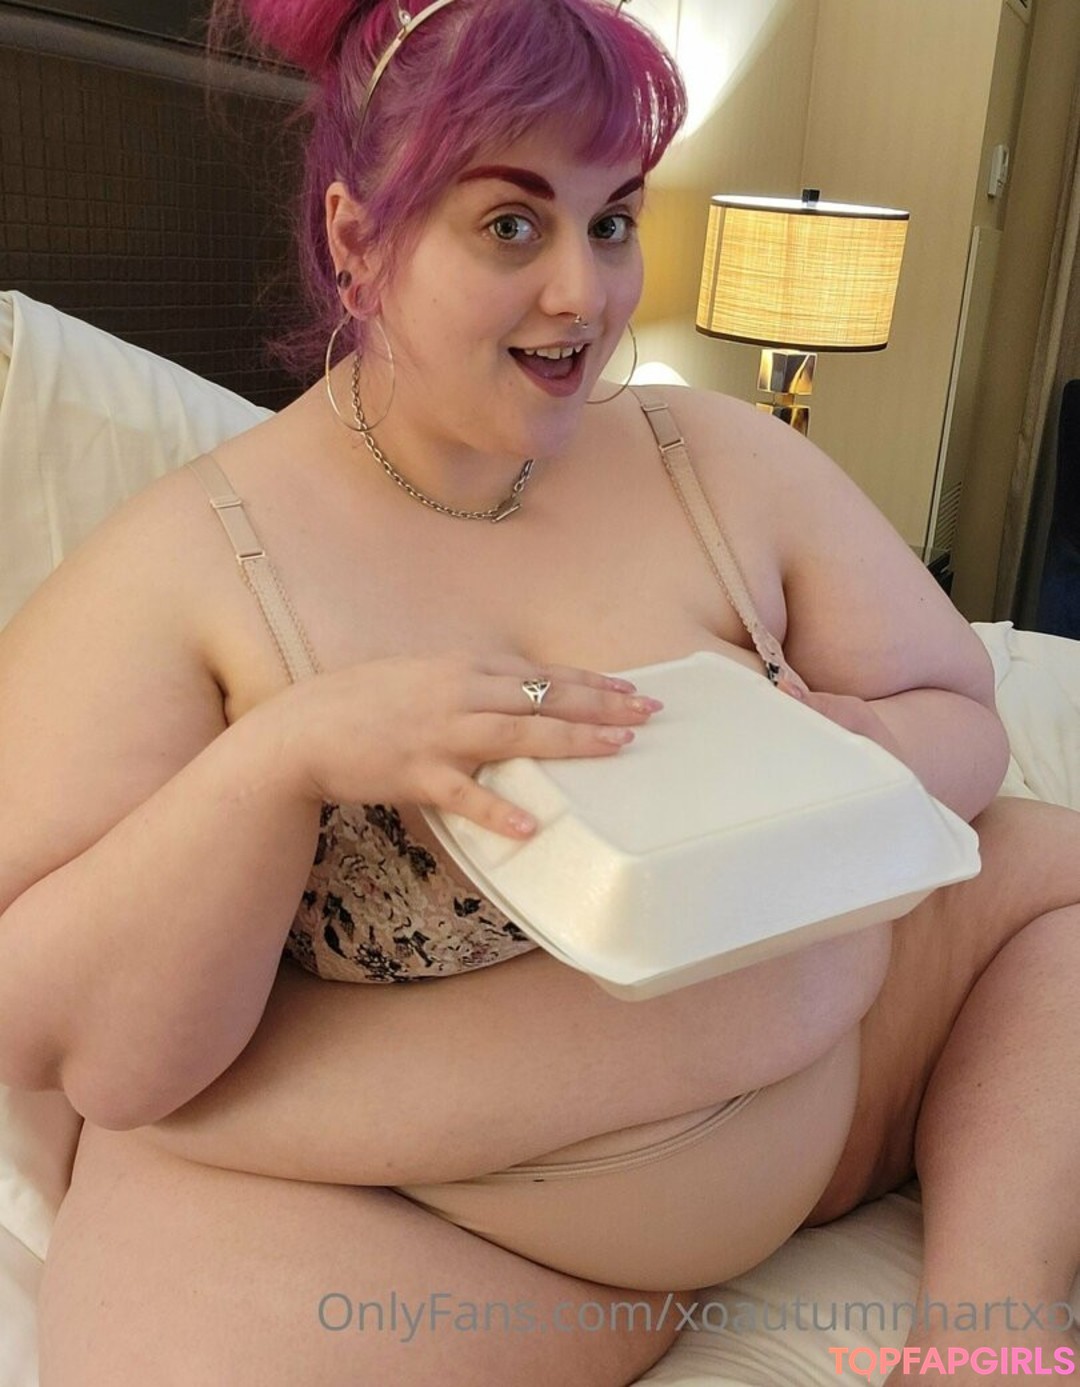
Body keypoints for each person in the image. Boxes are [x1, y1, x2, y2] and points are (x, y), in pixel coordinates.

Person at [0, 1, 1076, 1383]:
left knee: (1051, 869)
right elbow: (59, 1033)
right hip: (426, 1233)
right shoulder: (190, 567)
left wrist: (838, 745)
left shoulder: (712, 454)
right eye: (512, 226)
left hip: (834, 1091)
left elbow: (965, 720)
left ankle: (990, 1331)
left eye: (612, 220)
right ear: (356, 240)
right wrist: (280, 765)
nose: (584, 292)